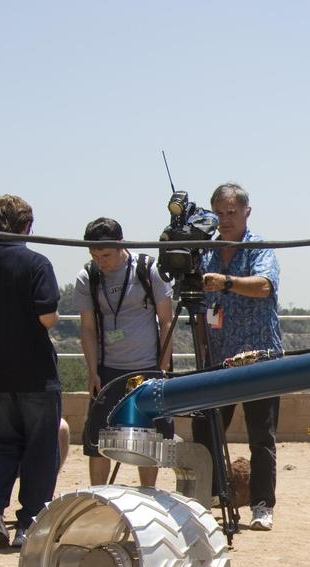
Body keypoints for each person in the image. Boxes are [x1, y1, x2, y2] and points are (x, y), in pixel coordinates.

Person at [193, 183, 282, 531]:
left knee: (262, 435)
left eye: (232, 212)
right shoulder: (206, 252)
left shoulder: (259, 247)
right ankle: (213, 496)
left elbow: (264, 286)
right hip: (218, 358)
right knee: (208, 428)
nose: (225, 220)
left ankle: (262, 505)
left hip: (260, 357)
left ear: (246, 212)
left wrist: (226, 282)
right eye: (219, 213)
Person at [0, 195, 61, 548]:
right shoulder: (36, 262)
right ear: (28, 226)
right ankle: (31, 522)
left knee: (3, 444)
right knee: (41, 448)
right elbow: (47, 316)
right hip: (35, 373)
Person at [75, 217, 175, 486]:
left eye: (106, 254)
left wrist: (162, 369)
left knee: (150, 434)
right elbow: (87, 328)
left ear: (121, 246)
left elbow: (167, 320)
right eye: (94, 255)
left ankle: (149, 491)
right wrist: (92, 371)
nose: (101, 261)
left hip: (147, 367)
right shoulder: (88, 276)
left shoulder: (147, 269)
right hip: (108, 369)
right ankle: (98, 495)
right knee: (98, 436)